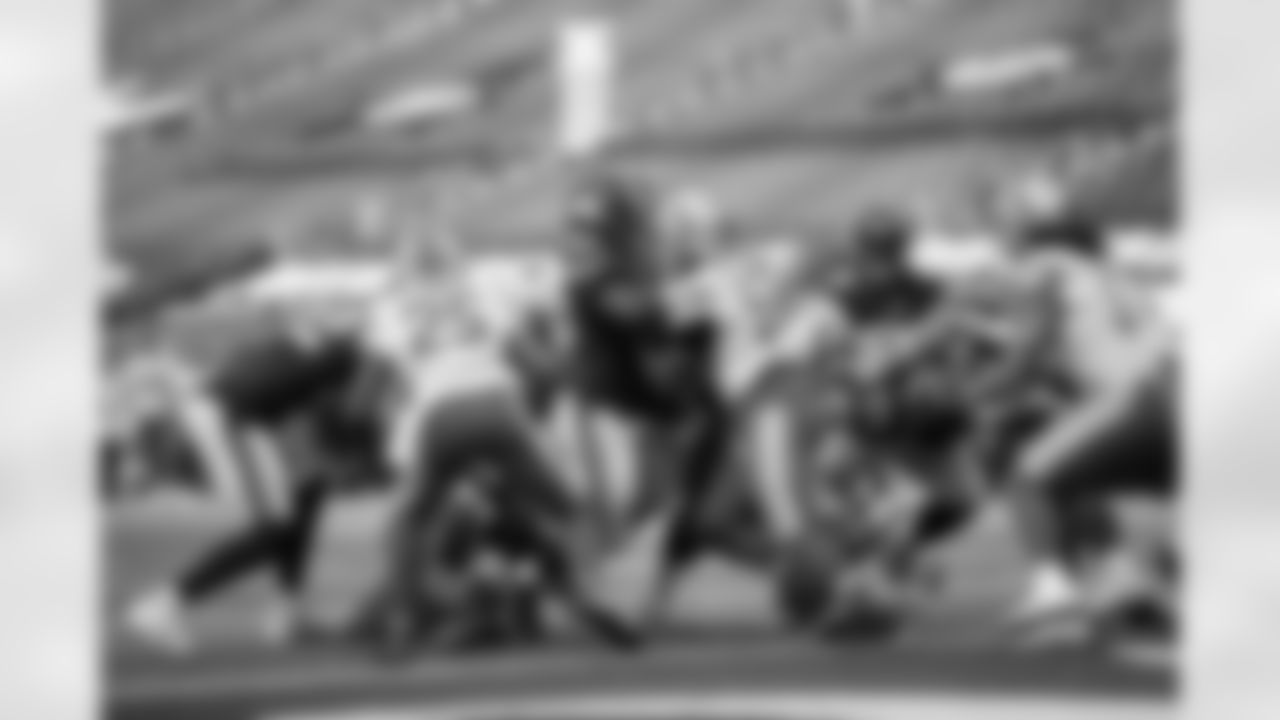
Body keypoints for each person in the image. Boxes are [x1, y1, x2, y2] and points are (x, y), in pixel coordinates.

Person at [352, 227, 639, 654]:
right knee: (569, 510)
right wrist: (563, 364)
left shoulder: (390, 308)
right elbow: (541, 369)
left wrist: (382, 408)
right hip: (500, 407)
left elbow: (361, 400)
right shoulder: (485, 294)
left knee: (409, 519)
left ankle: (403, 618)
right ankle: (593, 596)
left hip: (438, 418)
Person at [123, 307, 384, 653]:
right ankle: (164, 605)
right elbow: (346, 419)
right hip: (229, 420)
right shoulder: (350, 356)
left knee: (302, 498)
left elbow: (298, 406)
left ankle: (288, 612)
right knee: (276, 523)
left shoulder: (307, 344)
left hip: (226, 415)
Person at [979, 208, 1178, 640]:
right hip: (1183, 395)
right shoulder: (1117, 279)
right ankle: (1124, 580)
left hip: (1137, 399)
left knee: (1026, 478)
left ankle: (1053, 593)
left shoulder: (1049, 265)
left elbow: (1034, 343)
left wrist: (981, 391)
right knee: (1074, 480)